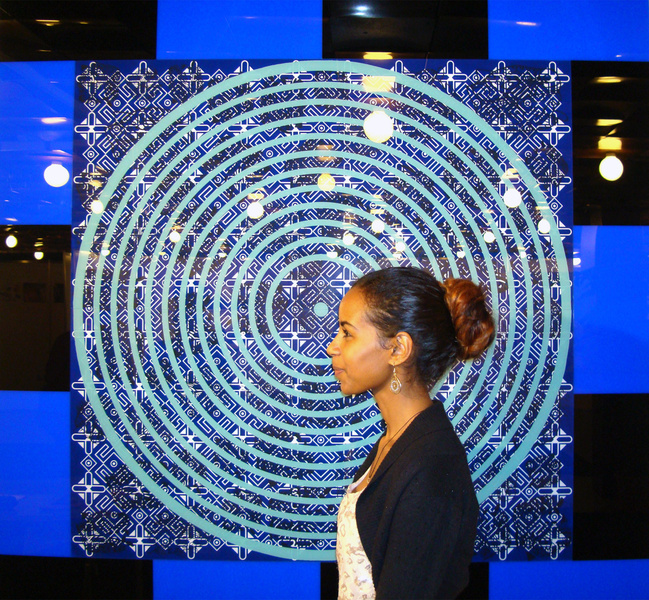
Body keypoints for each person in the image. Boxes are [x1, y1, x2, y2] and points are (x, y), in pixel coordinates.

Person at [327, 266, 495, 600]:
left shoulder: (430, 466)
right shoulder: (398, 440)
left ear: (398, 349)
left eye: (347, 333)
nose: (333, 347)